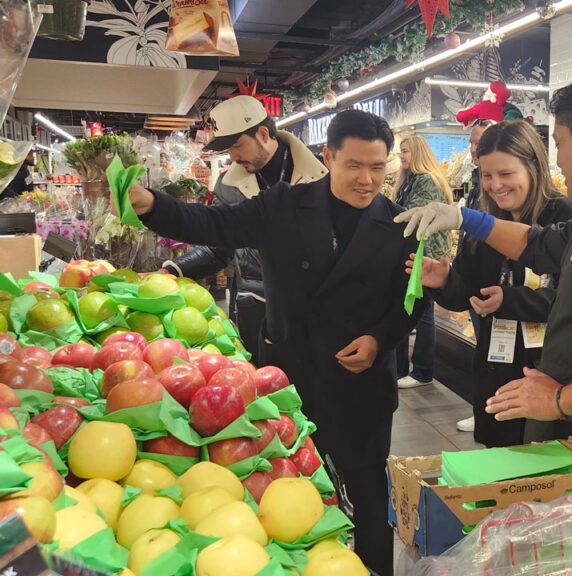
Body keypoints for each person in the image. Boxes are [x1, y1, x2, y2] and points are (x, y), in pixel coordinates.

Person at [125, 110, 420, 575]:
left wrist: (380, 338)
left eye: (378, 168)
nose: (367, 180)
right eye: (354, 166)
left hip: (364, 383)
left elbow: (413, 298)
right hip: (294, 376)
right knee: (292, 490)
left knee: (368, 492)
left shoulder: (401, 223)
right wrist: (153, 206)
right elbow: (215, 224)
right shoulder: (283, 205)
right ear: (329, 157)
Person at [397, 70, 572, 505]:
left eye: (560, 143)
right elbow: (541, 243)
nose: (560, 160)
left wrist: (560, 400)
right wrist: (463, 218)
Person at [419, 120, 572, 447]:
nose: (495, 185)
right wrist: (444, 280)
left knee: (548, 476)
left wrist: (510, 301)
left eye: (506, 175)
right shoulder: (483, 222)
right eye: (487, 175)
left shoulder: (564, 217)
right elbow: (468, 295)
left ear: (533, 166)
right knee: (502, 471)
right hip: (498, 369)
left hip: (552, 375)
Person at [160, 96, 328, 366]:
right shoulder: (229, 186)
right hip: (256, 308)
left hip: (316, 309)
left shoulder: (322, 175)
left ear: (263, 133)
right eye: (228, 149)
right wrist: (174, 270)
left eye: (238, 145)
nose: (233, 156)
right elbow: (218, 246)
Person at [393, 135, 455, 389]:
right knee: (419, 312)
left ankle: (422, 371)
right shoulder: (412, 180)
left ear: (417, 153)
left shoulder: (426, 182)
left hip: (426, 256)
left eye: (405, 151)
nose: (401, 156)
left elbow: (412, 215)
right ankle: (412, 369)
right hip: (418, 255)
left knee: (423, 314)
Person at [456, 117, 497, 433]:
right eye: (471, 142)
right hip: (477, 288)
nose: (474, 148)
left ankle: (489, 409)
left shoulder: (558, 212)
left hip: (497, 292)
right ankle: (484, 408)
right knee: (485, 351)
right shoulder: (474, 184)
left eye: (479, 142)